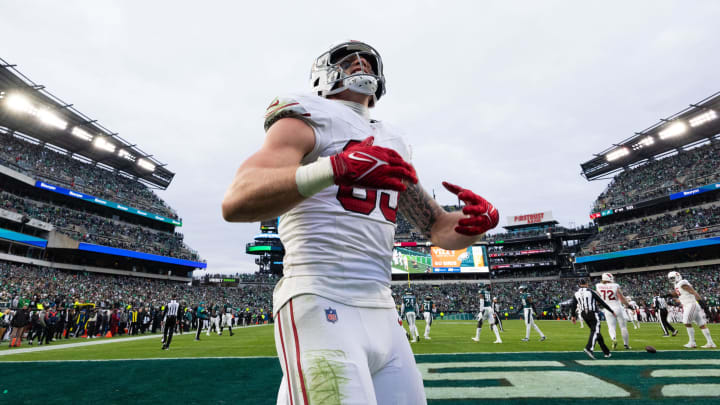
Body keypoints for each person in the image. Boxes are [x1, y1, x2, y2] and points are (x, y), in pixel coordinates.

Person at [221, 40, 499, 405]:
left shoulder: (393, 141)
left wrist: (475, 223)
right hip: (319, 294)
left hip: (383, 308)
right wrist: (336, 168)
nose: (360, 64)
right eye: (348, 60)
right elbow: (237, 199)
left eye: (368, 61)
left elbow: (437, 228)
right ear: (322, 74)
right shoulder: (308, 114)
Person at [668, 271, 716, 348]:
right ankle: (711, 343)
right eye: (670, 278)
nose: (672, 280)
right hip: (689, 305)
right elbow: (678, 293)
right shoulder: (677, 285)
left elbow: (694, 292)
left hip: (691, 304)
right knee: (701, 324)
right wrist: (668, 295)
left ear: (677, 276)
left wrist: (703, 305)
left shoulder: (682, 283)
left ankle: (692, 342)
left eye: (673, 278)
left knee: (686, 322)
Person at [571, 279, 613, 360]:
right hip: (592, 313)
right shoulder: (591, 291)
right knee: (595, 331)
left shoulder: (576, 293)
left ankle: (606, 352)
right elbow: (601, 302)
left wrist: (573, 316)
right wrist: (611, 311)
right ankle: (589, 348)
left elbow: (573, 305)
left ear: (579, 285)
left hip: (583, 314)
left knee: (597, 332)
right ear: (587, 283)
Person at [595, 272, 632, 350]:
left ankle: (613, 338)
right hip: (617, 307)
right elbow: (621, 298)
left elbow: (598, 298)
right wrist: (628, 305)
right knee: (623, 327)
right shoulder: (615, 286)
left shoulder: (598, 286)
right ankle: (626, 345)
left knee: (611, 327)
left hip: (607, 308)